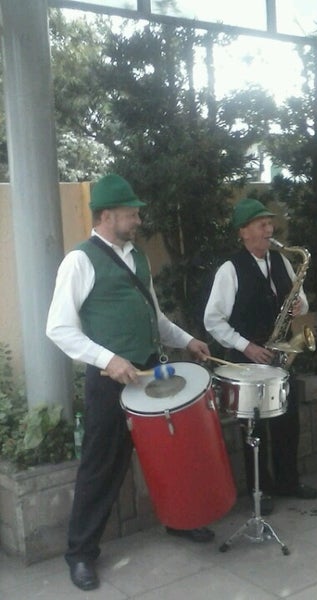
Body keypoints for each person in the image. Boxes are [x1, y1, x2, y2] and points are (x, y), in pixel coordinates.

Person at [46, 174, 213, 592]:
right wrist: (108, 359)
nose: (138, 218)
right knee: (101, 466)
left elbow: (153, 317)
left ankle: (180, 520)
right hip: (109, 381)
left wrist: (187, 339)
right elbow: (58, 329)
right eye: (130, 212)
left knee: (169, 455)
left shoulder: (137, 256)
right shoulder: (79, 260)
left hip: (152, 374)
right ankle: (81, 554)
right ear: (106, 215)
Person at [203, 198, 317, 515]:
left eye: (269, 223)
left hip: (279, 354)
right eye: (261, 224)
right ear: (243, 232)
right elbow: (212, 320)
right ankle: (260, 489)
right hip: (247, 359)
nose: (269, 229)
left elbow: (302, 301)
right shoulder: (230, 270)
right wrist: (246, 346)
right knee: (254, 428)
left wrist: (299, 307)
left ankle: (288, 481)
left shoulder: (281, 261)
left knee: (288, 420)